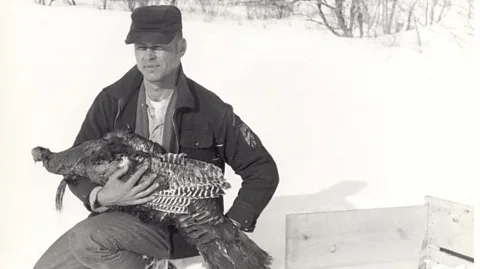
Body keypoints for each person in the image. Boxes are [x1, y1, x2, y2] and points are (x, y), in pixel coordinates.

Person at [33, 4, 279, 269]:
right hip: (124, 221)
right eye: (141, 47)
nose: (148, 56)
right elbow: (78, 167)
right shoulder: (112, 101)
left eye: (158, 47)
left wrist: (228, 226)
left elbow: (262, 170)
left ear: (181, 47)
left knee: (86, 239)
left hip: (184, 231)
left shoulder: (209, 109)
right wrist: (102, 196)